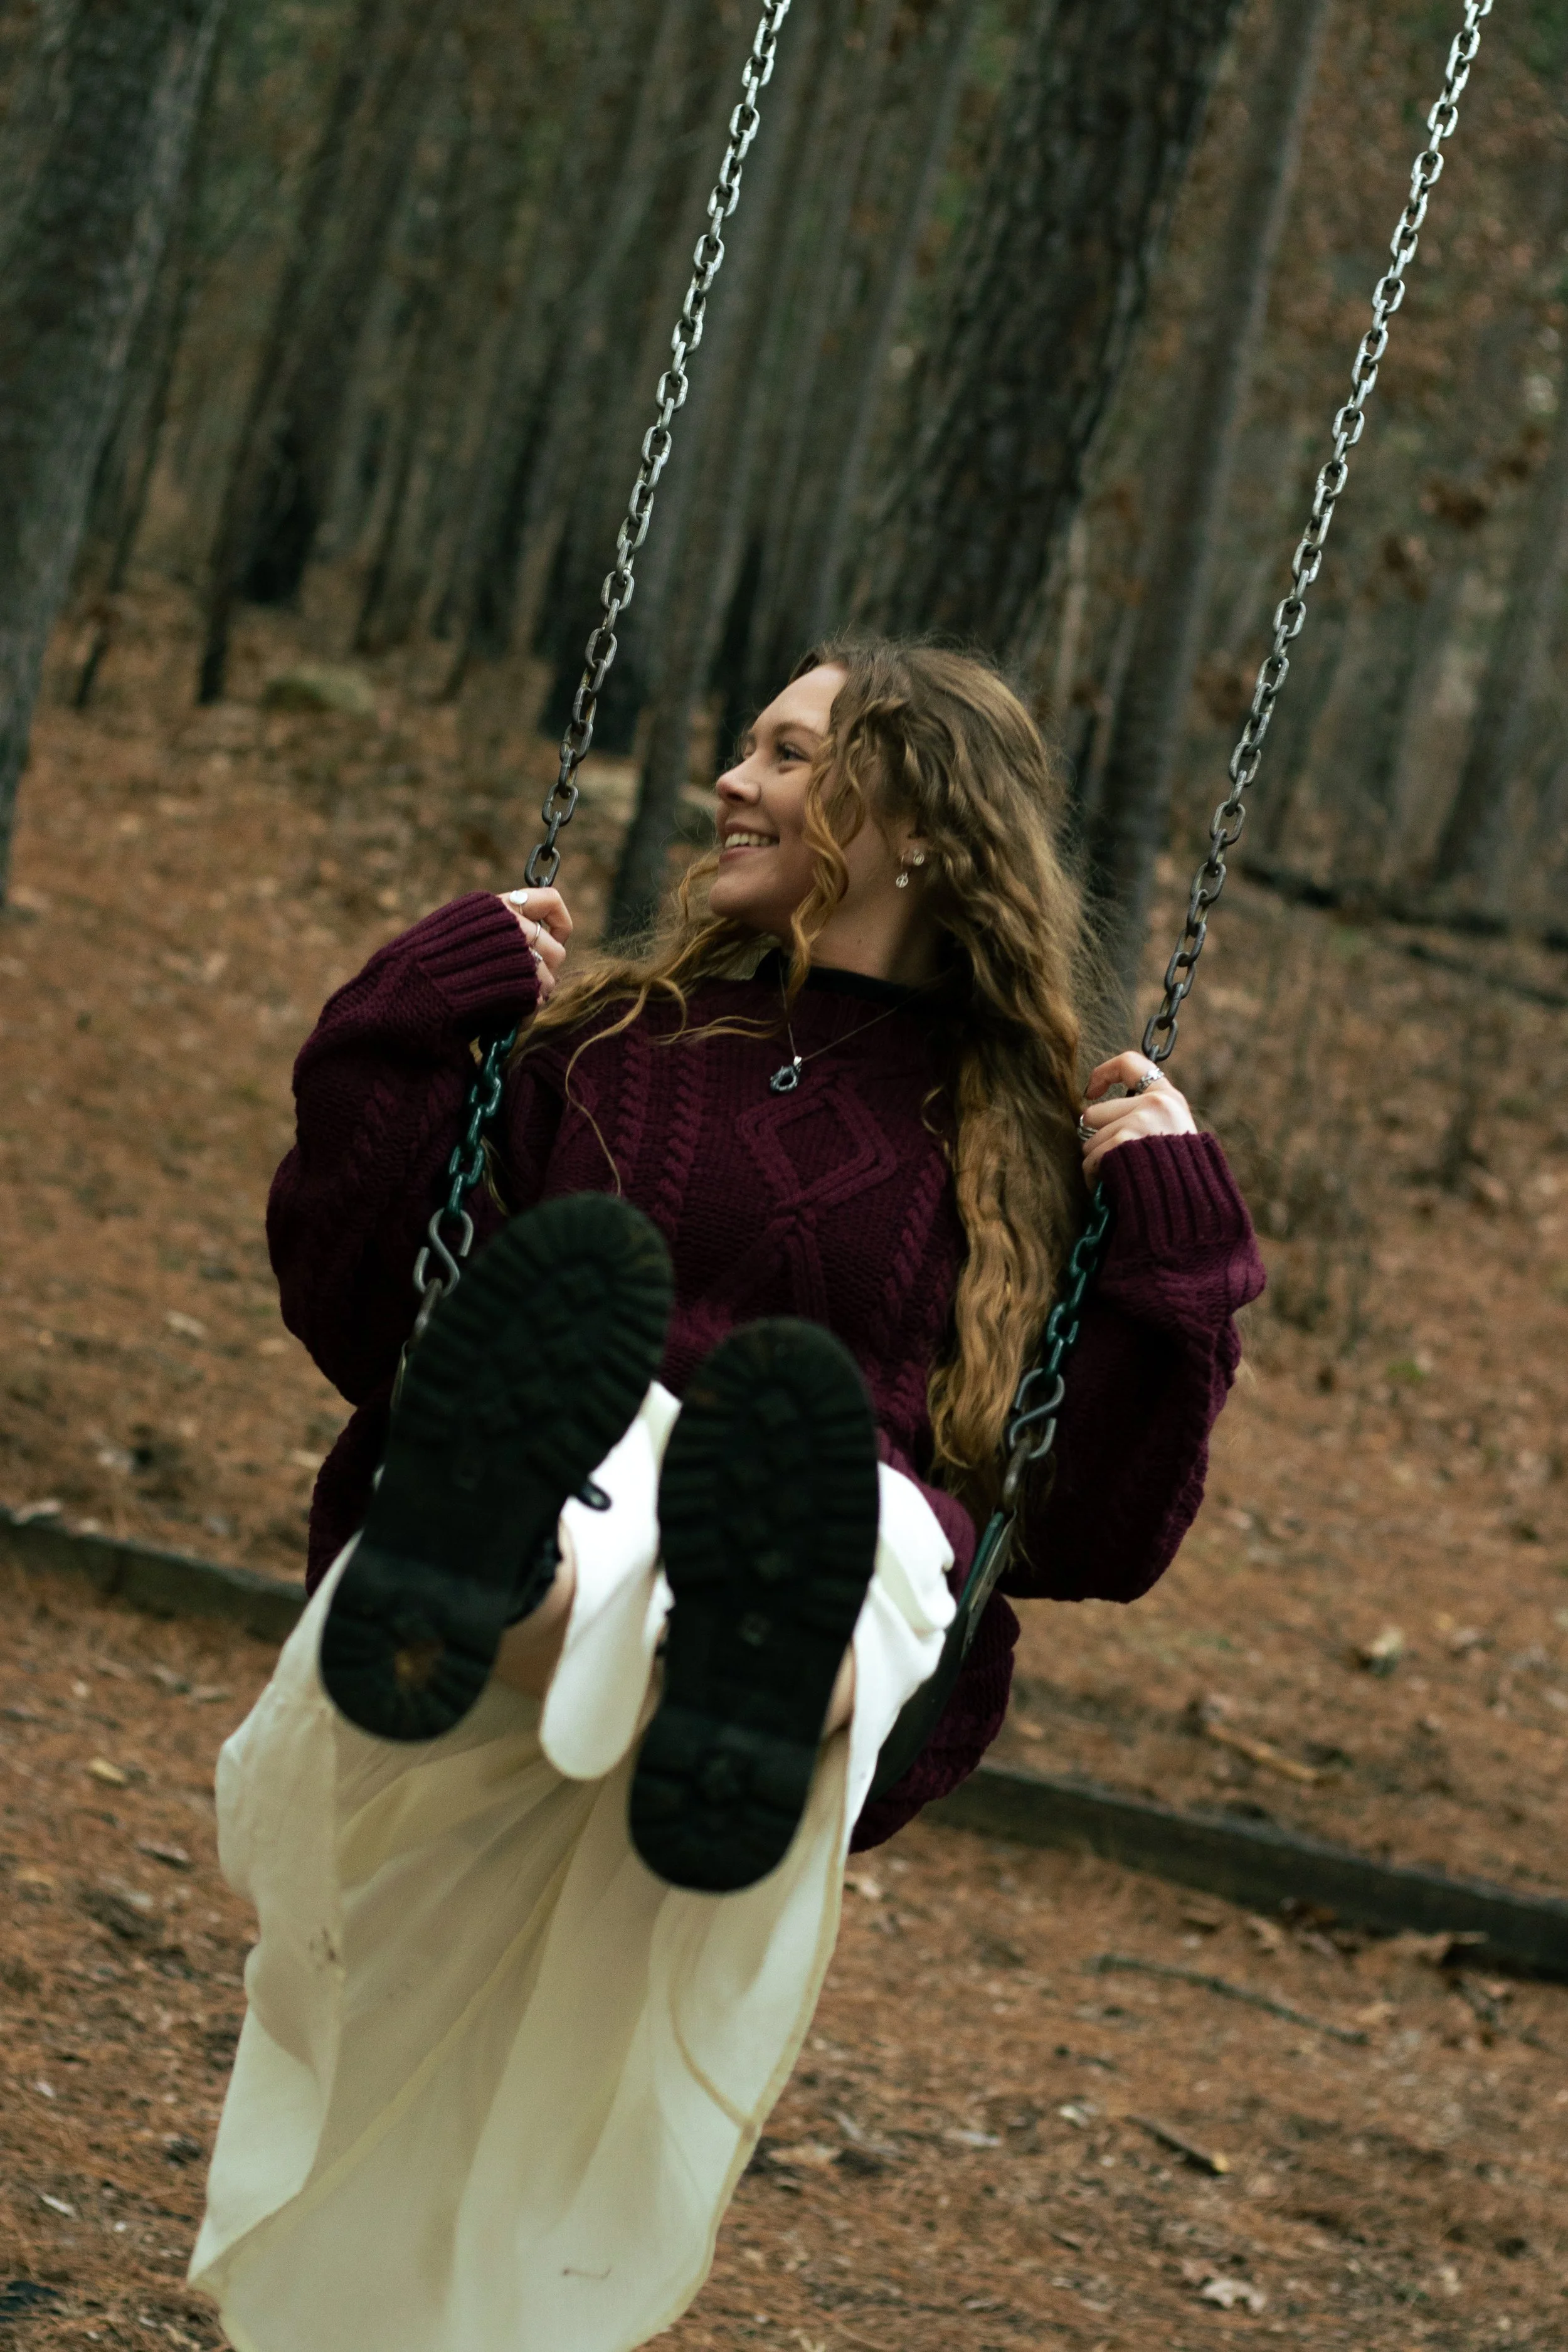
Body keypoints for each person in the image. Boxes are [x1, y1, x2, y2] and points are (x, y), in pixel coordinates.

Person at [189, 640, 1264, 2352]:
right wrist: (407, 1010)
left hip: (828, 1550)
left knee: (874, 1522)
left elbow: (1105, 1527)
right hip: (559, 1524)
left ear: (913, 819)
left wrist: (1180, 1252)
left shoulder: (1014, 1132)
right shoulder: (611, 1041)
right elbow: (354, 1295)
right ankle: (504, 1581)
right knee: (595, 1422)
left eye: (784, 752)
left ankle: (741, 1671)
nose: (731, 783)